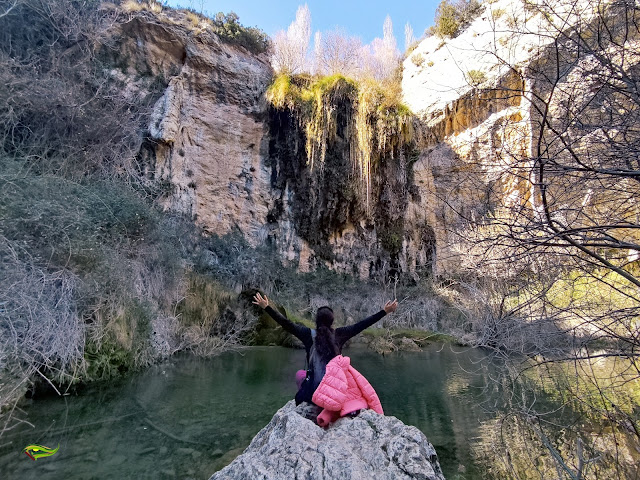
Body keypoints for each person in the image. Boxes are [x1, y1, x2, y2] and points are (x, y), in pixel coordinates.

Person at [252, 292, 398, 405]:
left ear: (316, 320)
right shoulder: (340, 334)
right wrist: (385, 311)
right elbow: (363, 324)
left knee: (300, 375)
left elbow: (286, 323)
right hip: (336, 394)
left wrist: (267, 307)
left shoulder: (307, 334)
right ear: (332, 321)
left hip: (313, 395)